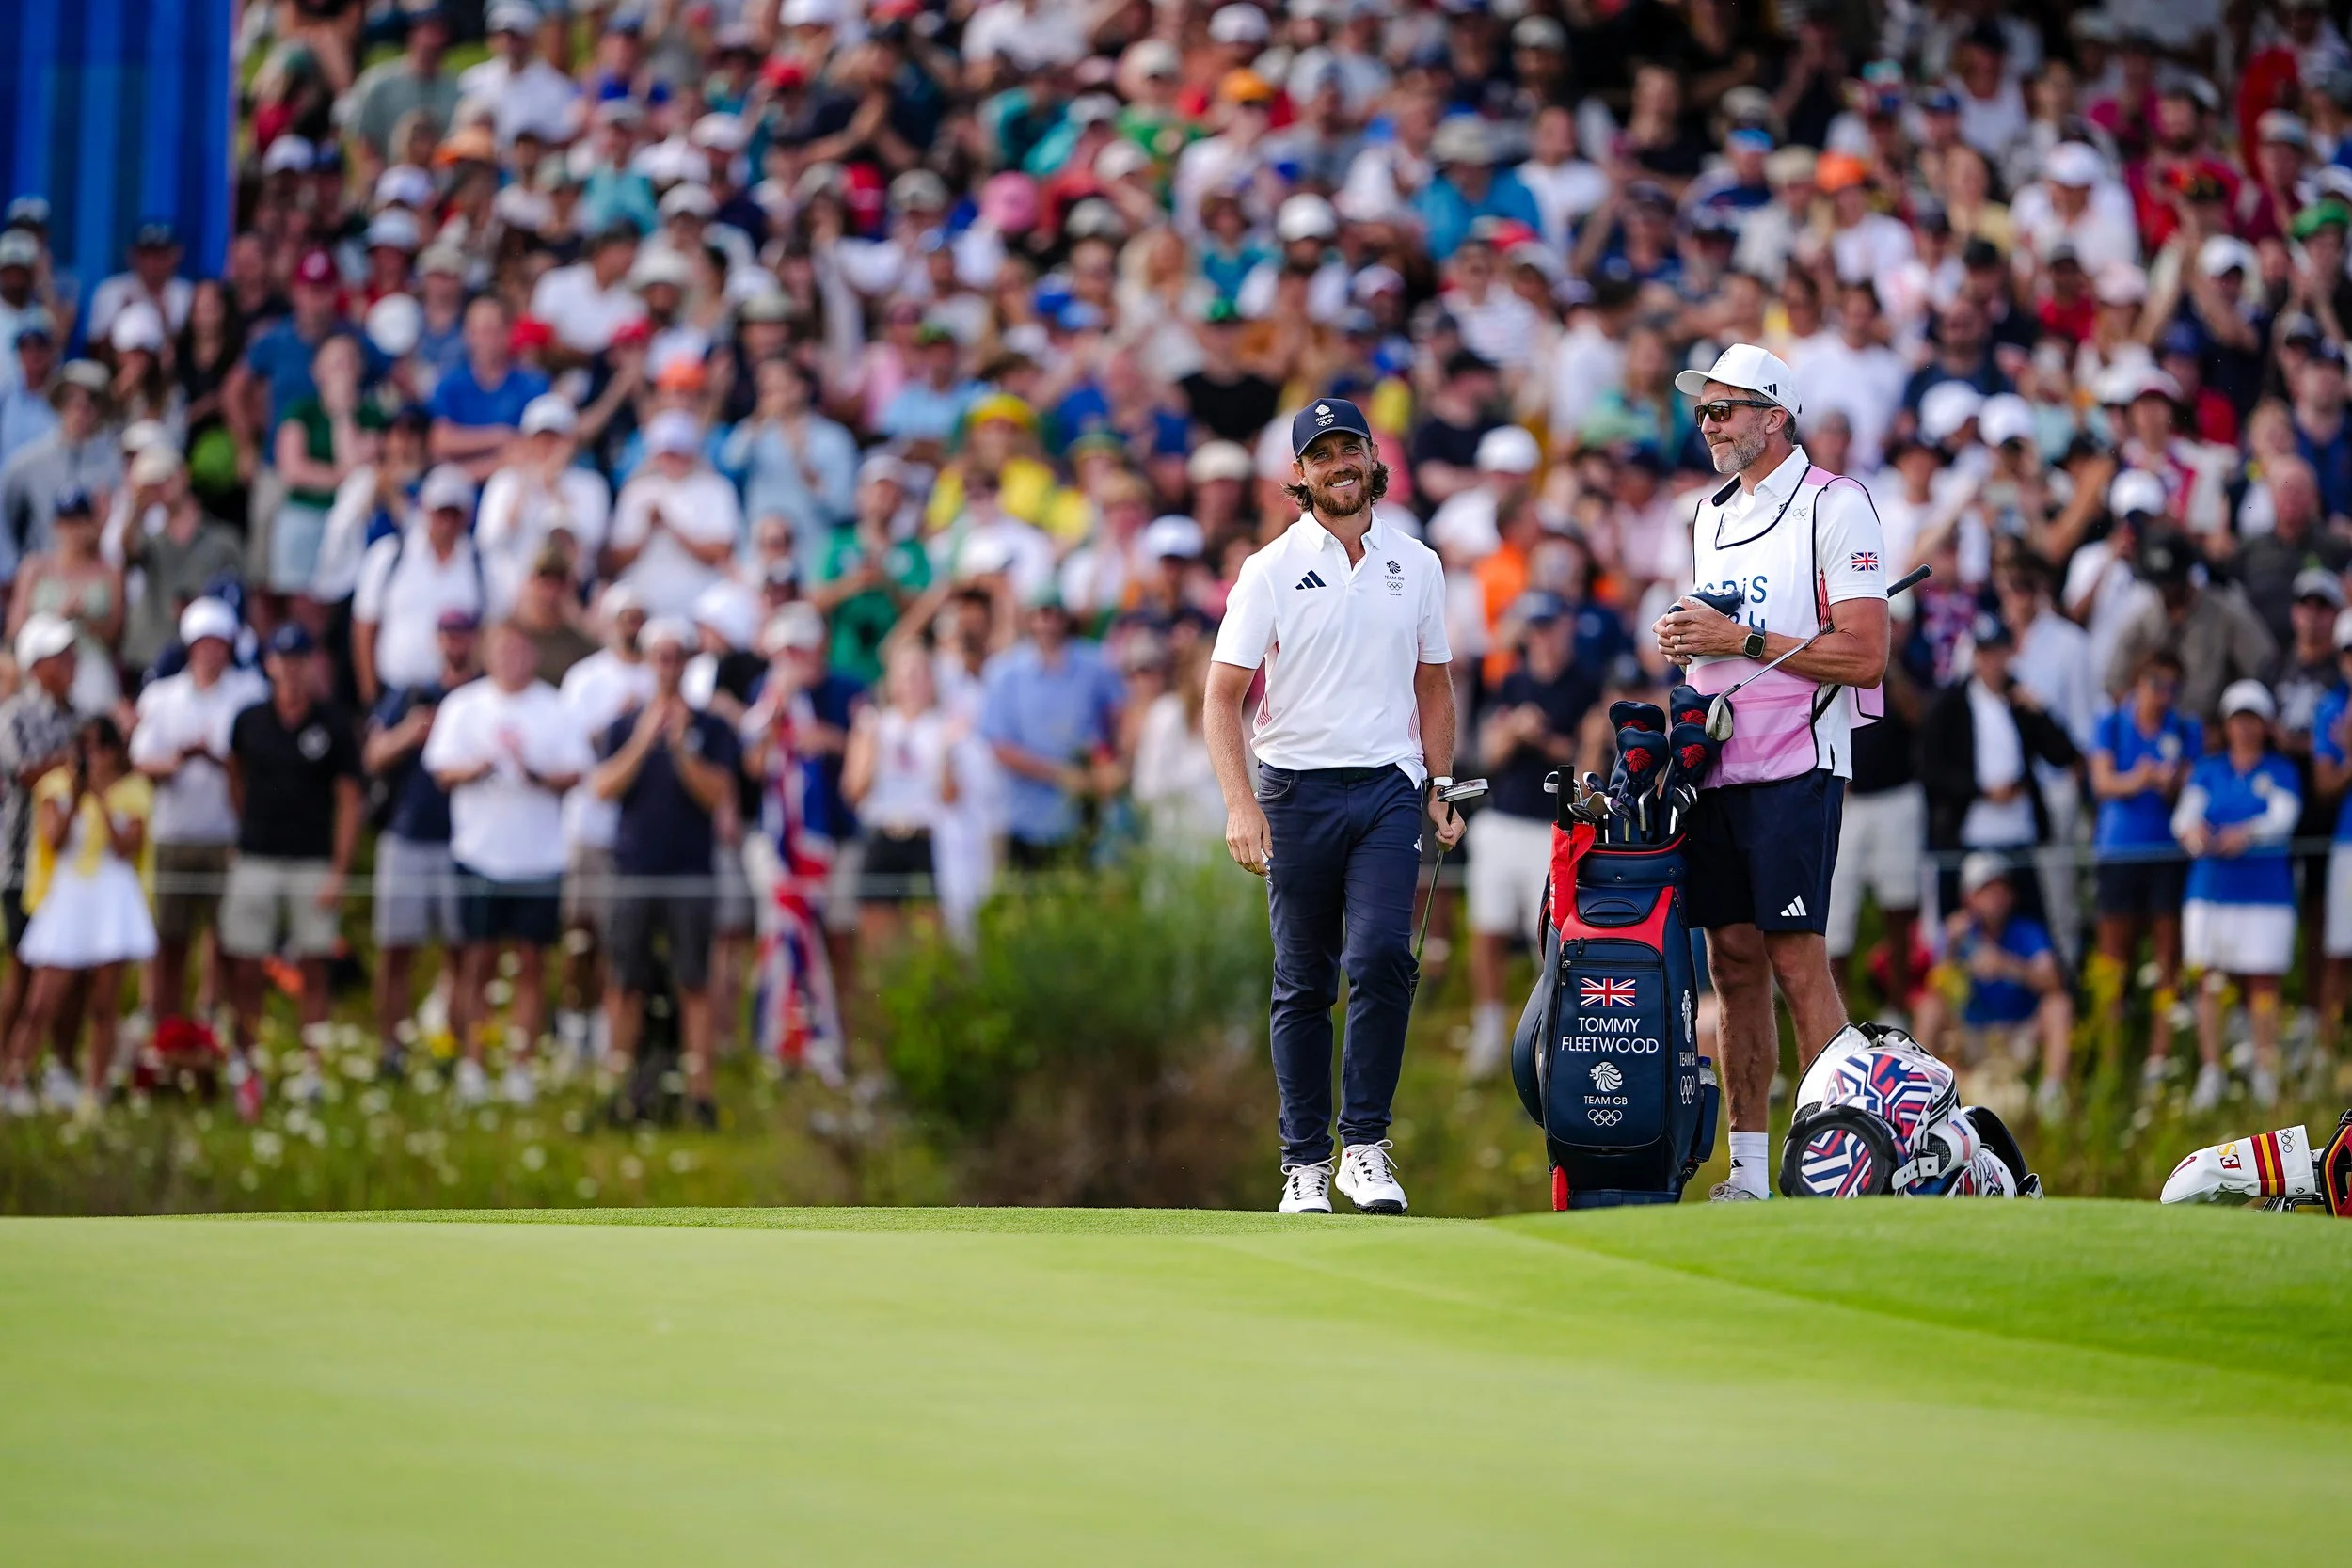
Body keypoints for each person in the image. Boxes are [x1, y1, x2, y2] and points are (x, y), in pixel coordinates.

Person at [1205, 397, 1458, 1215]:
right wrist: (1240, 804)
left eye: (1351, 449)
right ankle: (1306, 1161)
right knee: (1302, 980)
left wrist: (1443, 787)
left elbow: (1434, 682)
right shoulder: (1269, 569)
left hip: (1388, 785)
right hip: (1294, 789)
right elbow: (1222, 698)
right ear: (1302, 475)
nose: (1339, 465)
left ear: (1373, 459)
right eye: (1322, 455)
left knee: (1383, 956)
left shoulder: (1416, 562)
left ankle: (1367, 1147)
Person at [1649, 344, 1890, 1202]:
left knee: (1797, 959)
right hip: (1722, 763)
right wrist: (1687, 639)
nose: (1707, 424)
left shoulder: (1837, 503)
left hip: (1798, 759)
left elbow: (1865, 654)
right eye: (1704, 411)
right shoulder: (1709, 514)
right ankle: (1748, 1176)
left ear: (1774, 417)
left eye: (1724, 409)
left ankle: (1839, 1167)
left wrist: (1736, 641)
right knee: (1735, 963)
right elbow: (1721, 633)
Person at [423, 620, 593, 1106]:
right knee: (477, 962)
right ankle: (474, 1064)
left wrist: (534, 771)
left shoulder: (553, 708)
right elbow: (441, 769)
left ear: (533, 656)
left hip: (539, 858)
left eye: (521, 651)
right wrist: (480, 766)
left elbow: (576, 772)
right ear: (489, 654)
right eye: (504, 651)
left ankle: (520, 1067)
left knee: (533, 964)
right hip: (479, 854)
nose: (513, 659)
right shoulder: (464, 705)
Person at [590, 616, 739, 1127]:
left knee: (695, 982)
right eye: (661, 657)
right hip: (634, 869)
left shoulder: (712, 727)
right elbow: (603, 787)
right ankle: (618, 1092)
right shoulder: (622, 723)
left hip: (690, 871)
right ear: (649, 663)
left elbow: (717, 796)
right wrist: (642, 741)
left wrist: (679, 748)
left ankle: (700, 1098)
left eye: (678, 657)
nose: (669, 667)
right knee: (624, 982)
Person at [220, 625, 362, 1117]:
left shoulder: (335, 725)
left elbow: (349, 800)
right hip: (256, 855)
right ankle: (246, 1068)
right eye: (284, 659)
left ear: (312, 664)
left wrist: (340, 870)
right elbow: (234, 779)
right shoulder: (249, 721)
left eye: (301, 658)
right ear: (270, 665)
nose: (293, 668)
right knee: (244, 966)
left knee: (315, 965)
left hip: (312, 861)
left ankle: (312, 1070)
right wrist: (243, 837)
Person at [1465, 593, 1598, 1078]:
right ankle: (1488, 1030)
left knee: (1550, 942)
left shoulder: (1585, 685)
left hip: (1550, 830)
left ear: (1565, 627)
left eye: (1549, 627)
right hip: (1503, 816)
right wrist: (1513, 734)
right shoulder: (1512, 681)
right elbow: (1488, 756)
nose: (1541, 638)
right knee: (1488, 928)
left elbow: (1588, 765)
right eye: (1534, 628)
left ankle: (1550, 1040)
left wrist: (1542, 739)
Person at [6, 717, 155, 1115]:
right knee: (41, 1001)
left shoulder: (133, 790)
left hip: (112, 898)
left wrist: (102, 800)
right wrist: (77, 795)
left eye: (99, 747)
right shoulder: (55, 788)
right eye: (84, 748)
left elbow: (127, 846)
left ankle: (95, 1087)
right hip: (69, 896)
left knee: (104, 1004)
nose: (92, 756)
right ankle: (14, 1077)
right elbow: (52, 840)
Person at [128, 598, 265, 1030]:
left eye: (219, 644)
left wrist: (221, 761)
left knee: (225, 937)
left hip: (227, 831)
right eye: (204, 644)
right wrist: (181, 758)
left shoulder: (250, 692)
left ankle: (213, 1015)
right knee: (170, 939)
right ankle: (164, 1021)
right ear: (190, 647)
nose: (212, 652)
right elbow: (142, 761)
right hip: (175, 832)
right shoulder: (162, 697)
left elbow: (259, 761)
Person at [2173, 680, 2300, 1113]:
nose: (2244, 728)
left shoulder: (2281, 770)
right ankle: (2212, 1072)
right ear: (2227, 725)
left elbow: (2283, 818)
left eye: (2252, 720)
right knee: (2210, 981)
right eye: (2237, 720)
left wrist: (2244, 835)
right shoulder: (2208, 769)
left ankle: (2265, 1070)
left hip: (2266, 893)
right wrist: (2195, 835)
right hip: (2211, 891)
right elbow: (2185, 819)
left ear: (2264, 726)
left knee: (2263, 981)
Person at [360, 608, 478, 1078]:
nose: (456, 642)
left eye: (463, 633)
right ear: (437, 639)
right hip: (407, 835)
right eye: (448, 633)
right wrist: (409, 734)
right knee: (396, 949)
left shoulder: (482, 697)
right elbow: (371, 755)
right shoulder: (411, 695)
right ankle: (391, 1049)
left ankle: (453, 1047)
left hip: (464, 842)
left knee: (462, 953)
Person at [2090, 649, 2199, 1093]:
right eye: (2156, 681)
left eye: (2172, 685)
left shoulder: (2185, 729)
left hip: (2166, 855)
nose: (2163, 694)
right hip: (2118, 854)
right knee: (2113, 961)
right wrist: (2142, 778)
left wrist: (2172, 784)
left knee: (2167, 959)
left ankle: (2159, 1061)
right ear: (2138, 680)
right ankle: (2111, 1061)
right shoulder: (2112, 724)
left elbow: (2192, 787)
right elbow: (2102, 783)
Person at [1914, 852, 2075, 1121]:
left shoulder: (2027, 932)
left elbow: (2055, 981)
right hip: (1972, 1034)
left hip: (2019, 1033)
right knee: (1929, 1007)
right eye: (1986, 890)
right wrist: (1950, 950)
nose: (1996, 897)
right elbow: (1936, 988)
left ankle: (2052, 1096)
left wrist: (2007, 966)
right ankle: (1923, 1096)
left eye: (2002, 889)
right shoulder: (1957, 934)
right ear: (1969, 898)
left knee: (2059, 1006)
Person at [0, 615, 85, 1112]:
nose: (72, 665)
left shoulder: (78, 717)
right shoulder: (12, 715)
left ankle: (59, 1067)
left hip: (72, 865)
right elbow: (28, 772)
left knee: (72, 971)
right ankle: (8, 1069)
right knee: (26, 969)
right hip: (21, 865)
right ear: (38, 665)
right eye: (62, 657)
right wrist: (78, 758)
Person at [980, 586, 1123, 869]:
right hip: (1023, 816)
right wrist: (1063, 776)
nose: (1046, 623)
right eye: (1040, 615)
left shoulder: (1095, 665)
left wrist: (1109, 764)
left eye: (1053, 614)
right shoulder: (1006, 671)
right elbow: (999, 746)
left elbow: (1119, 717)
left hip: (1085, 813)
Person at [840, 641, 958, 950]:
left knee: (929, 949)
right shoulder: (874, 724)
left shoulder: (943, 728)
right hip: (882, 838)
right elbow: (854, 790)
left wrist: (947, 753)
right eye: (909, 674)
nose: (916, 682)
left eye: (923, 674)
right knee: (879, 950)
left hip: (924, 840)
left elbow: (950, 796)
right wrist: (872, 743)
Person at [352, 463, 488, 705]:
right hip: (397, 691)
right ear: (425, 510)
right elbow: (365, 628)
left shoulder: (481, 563)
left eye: (454, 513)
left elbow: (490, 630)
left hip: (459, 693)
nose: (446, 522)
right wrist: (370, 698)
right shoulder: (388, 555)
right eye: (440, 512)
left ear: (467, 515)